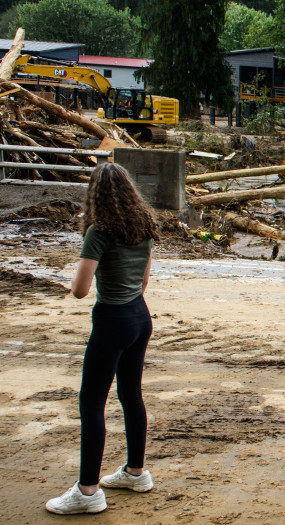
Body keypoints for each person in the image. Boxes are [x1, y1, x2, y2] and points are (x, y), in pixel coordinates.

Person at [45, 163, 159, 515]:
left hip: (112, 318)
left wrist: (75, 279)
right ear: (129, 190)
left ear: (95, 194)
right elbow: (143, 281)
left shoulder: (99, 231)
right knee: (130, 395)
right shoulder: (144, 225)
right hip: (140, 316)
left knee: (92, 402)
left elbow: (80, 290)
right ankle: (136, 473)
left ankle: (88, 491)